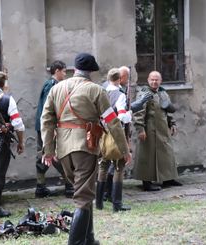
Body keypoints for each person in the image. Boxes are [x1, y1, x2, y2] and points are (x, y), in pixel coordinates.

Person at [41, 53, 131, 245]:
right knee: (82, 197)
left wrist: (48, 150)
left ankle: (88, 239)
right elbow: (112, 122)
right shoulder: (96, 90)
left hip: (62, 149)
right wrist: (124, 149)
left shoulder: (57, 88)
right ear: (91, 71)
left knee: (84, 192)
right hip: (85, 146)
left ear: (75, 69)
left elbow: (46, 120)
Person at [133, 71, 182, 192]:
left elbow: (167, 110)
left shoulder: (163, 92)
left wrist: (173, 123)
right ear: (148, 80)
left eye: (157, 80)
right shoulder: (144, 93)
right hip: (149, 129)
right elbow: (138, 112)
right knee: (147, 155)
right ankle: (147, 182)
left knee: (166, 154)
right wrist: (140, 129)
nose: (154, 82)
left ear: (160, 81)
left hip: (163, 128)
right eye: (152, 80)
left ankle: (168, 178)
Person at [34, 60, 74, 198]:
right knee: (56, 154)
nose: (65, 74)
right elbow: (48, 109)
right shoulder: (51, 85)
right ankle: (69, 185)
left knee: (47, 154)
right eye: (63, 71)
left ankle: (41, 186)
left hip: (47, 126)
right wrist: (53, 127)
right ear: (57, 71)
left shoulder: (54, 85)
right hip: (48, 127)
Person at [0, 71, 25, 217]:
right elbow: (18, 124)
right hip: (1, 142)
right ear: (4, 85)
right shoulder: (8, 99)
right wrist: (20, 142)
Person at [96, 68, 132, 212]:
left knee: (103, 165)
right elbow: (122, 116)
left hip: (103, 132)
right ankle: (117, 204)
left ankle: (99, 202)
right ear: (118, 79)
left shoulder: (102, 91)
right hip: (116, 132)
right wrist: (130, 114)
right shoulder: (120, 94)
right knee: (119, 165)